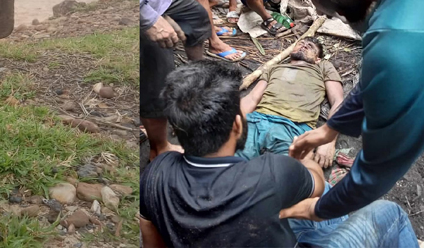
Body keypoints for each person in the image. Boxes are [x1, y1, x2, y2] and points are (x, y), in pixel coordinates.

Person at [139, 60, 418, 247]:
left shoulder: (154, 173)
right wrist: (304, 158)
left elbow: (151, 235)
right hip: (285, 159)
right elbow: (317, 184)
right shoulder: (273, 172)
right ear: (237, 123)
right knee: (387, 211)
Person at [279, 0, 424, 222]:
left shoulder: (397, 41)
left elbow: (375, 172)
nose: (320, 9)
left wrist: (317, 208)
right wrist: (331, 128)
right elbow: (379, 81)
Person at [140, 0, 211, 166]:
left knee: (197, 18)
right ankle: (159, 146)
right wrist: (148, 19)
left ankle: (193, 87)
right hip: (140, 3)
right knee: (158, 67)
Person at [238, 37, 344, 168]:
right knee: (229, 166)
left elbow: (338, 101)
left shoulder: (323, 67)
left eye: (310, 46)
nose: (304, 46)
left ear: (318, 59)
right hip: (257, 121)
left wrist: (328, 140)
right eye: (301, 43)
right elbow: (252, 98)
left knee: (284, 175)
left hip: (294, 128)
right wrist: (230, 120)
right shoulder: (274, 68)